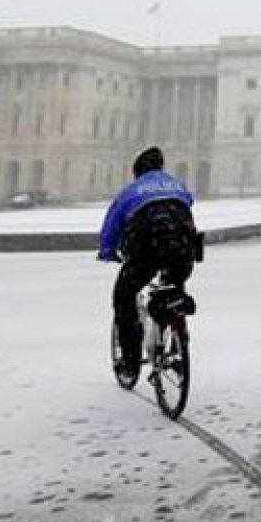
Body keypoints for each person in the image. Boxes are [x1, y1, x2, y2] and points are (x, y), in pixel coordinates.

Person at [98, 147, 199, 376]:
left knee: (124, 298)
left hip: (147, 250)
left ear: (137, 171)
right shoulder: (176, 184)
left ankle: (131, 363)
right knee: (172, 290)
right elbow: (188, 203)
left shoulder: (131, 191)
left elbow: (112, 225)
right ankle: (174, 343)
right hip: (183, 249)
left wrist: (107, 251)